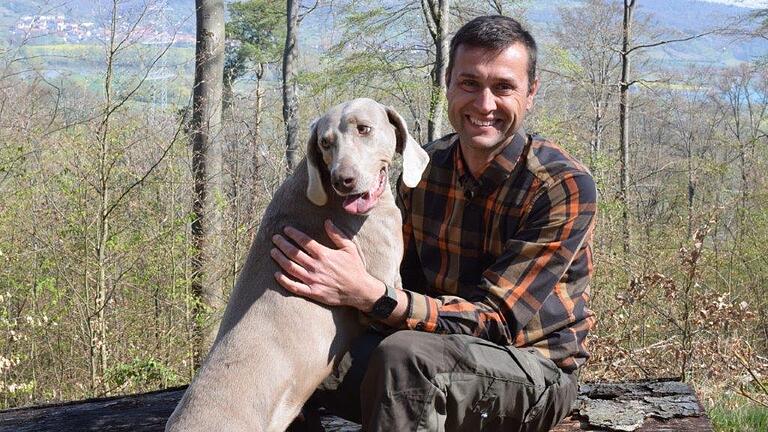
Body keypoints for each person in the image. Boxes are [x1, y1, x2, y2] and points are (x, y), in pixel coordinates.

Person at [271, 15, 597, 432]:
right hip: (431, 350)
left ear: (531, 93)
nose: (484, 104)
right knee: (307, 356)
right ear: (447, 84)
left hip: (532, 371)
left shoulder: (561, 186)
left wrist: (369, 293)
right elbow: (400, 282)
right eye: (469, 84)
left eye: (503, 87)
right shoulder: (421, 173)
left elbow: (495, 322)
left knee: (405, 359)